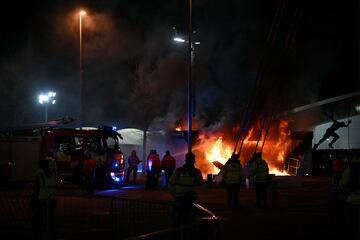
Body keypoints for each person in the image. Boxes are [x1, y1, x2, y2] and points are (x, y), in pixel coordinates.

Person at [169, 152, 203, 225]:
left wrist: (173, 194)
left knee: (179, 215)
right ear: (194, 161)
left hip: (179, 197)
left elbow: (171, 182)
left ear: (185, 160)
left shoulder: (178, 171)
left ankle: (178, 231)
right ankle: (189, 231)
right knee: (190, 216)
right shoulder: (196, 172)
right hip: (191, 197)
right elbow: (200, 183)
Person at [31, 156, 57, 239]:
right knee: (50, 219)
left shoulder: (39, 173)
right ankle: (51, 234)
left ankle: (37, 234)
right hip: (52, 198)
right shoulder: (53, 173)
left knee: (37, 218)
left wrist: (32, 200)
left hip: (40, 198)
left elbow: (36, 188)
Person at [339, 159, 360, 240]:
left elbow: (343, 183)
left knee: (354, 226)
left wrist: (345, 191)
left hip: (353, 201)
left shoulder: (351, 169)